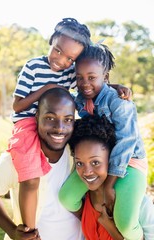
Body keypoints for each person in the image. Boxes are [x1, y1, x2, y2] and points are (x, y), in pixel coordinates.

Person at [6, 17, 132, 231]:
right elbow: (17, 106)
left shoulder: (69, 72)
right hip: (27, 123)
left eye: (69, 58)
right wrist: (45, 89)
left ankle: (94, 226)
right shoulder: (33, 66)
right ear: (51, 40)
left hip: (54, 124)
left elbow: (91, 82)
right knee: (31, 179)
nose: (61, 60)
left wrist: (116, 86)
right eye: (58, 50)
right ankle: (29, 230)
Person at [59, 44, 148, 240]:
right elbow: (64, 99)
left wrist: (109, 185)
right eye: (80, 77)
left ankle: (140, 236)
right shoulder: (81, 99)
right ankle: (95, 223)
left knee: (125, 224)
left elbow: (127, 142)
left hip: (129, 162)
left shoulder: (119, 101)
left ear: (105, 77)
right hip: (97, 160)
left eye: (92, 77)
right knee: (67, 197)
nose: (85, 83)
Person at [0, 88, 84, 240]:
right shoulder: (15, 159)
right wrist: (11, 231)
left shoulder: (79, 155)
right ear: (37, 117)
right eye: (50, 118)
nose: (60, 128)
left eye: (68, 119)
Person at [67, 114, 154, 240]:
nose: (86, 172)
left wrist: (111, 228)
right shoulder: (84, 199)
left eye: (95, 162)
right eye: (80, 163)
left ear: (111, 160)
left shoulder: (140, 205)